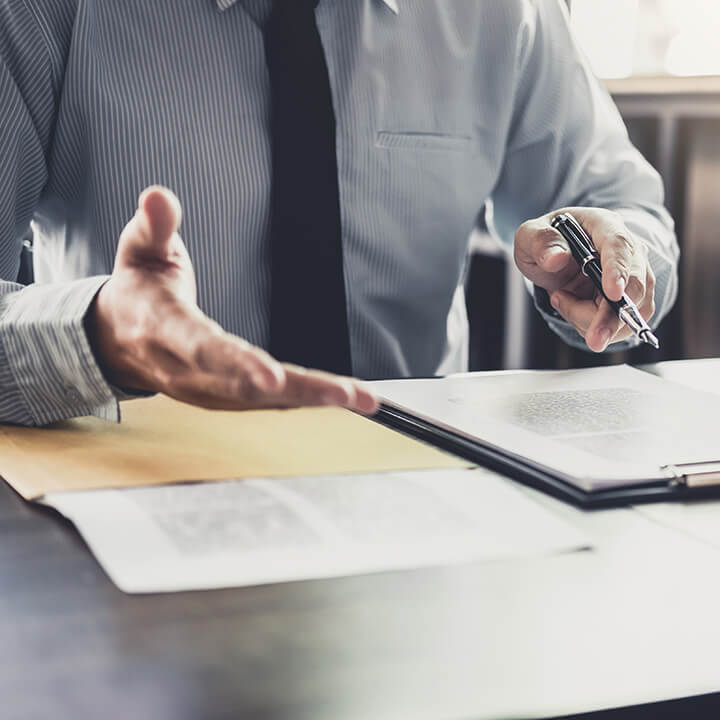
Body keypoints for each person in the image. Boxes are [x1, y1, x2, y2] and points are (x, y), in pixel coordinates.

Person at [0, 0, 678, 427]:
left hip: (425, 497)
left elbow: (626, 209)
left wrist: (610, 263)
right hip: (130, 491)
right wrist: (97, 340)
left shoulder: (505, 12)